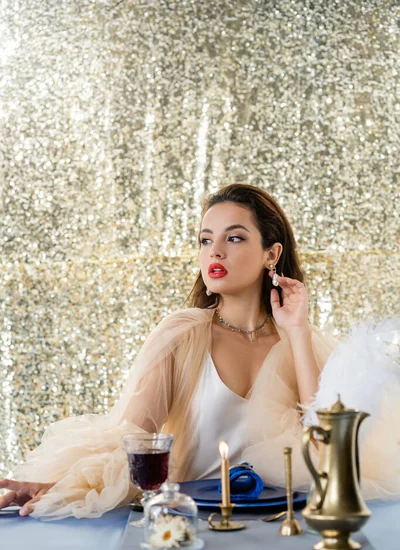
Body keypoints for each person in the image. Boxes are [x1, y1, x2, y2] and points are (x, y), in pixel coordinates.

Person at [0, 183, 392, 519]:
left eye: (234, 238)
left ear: (272, 254)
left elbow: (328, 453)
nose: (214, 252)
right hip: (193, 523)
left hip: (283, 525)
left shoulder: (303, 341)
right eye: (206, 240)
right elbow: (131, 442)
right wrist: (59, 486)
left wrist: (297, 332)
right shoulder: (183, 336)